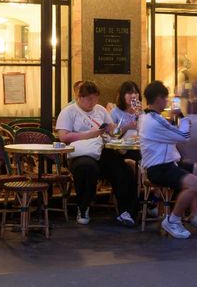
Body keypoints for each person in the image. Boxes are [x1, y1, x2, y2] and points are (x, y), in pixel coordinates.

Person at [138, 81, 197, 240]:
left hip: (171, 163)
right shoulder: (153, 120)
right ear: (158, 99)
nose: (167, 102)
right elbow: (183, 136)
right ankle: (173, 220)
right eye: (165, 98)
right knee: (195, 183)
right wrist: (183, 118)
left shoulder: (149, 117)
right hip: (159, 168)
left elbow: (174, 135)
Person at [55, 80, 140, 227]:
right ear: (79, 97)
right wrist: (90, 134)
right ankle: (83, 207)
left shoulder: (100, 110)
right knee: (87, 168)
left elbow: (115, 131)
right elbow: (63, 136)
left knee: (122, 169)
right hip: (80, 152)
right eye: (88, 99)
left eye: (95, 98)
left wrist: (120, 128)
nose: (92, 102)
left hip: (102, 149)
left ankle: (127, 211)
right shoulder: (68, 112)